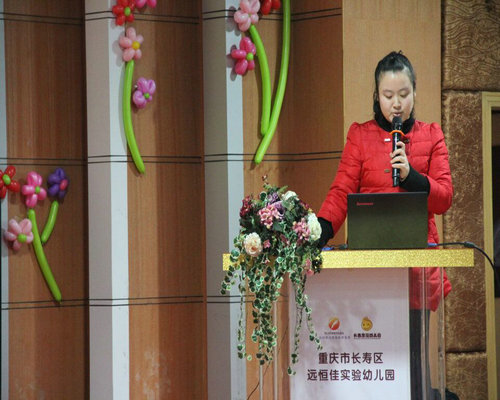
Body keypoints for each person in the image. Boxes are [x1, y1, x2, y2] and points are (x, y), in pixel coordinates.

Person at [316, 51, 458, 400]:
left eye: (404, 94)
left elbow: (444, 198)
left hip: (416, 272)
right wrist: (319, 231)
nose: (396, 104)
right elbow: (341, 191)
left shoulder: (431, 135)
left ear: (415, 93)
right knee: (374, 361)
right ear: (376, 96)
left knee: (412, 361)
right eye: (388, 95)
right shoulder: (360, 136)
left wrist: (411, 177)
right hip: (371, 271)